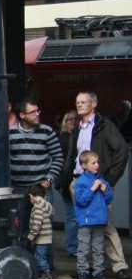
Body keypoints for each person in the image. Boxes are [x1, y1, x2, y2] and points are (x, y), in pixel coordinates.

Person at [65, 91, 131, 279]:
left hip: (98, 182)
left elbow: (122, 150)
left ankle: (120, 267)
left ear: (93, 104)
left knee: (106, 225)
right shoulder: (78, 128)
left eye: (83, 102)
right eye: (77, 102)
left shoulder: (103, 125)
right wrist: (66, 180)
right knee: (84, 226)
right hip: (78, 181)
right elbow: (72, 156)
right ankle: (88, 268)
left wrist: (109, 180)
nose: (79, 105)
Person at [8, 98, 63, 252]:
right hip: (18, 188)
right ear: (22, 115)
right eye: (32, 112)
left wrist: (49, 180)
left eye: (38, 111)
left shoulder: (47, 131)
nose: (37, 114)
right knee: (22, 229)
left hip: (40, 188)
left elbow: (58, 157)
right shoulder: (9, 133)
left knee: (45, 231)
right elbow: (3, 160)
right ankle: (27, 266)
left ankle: (47, 270)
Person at [74, 150, 115, 279]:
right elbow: (81, 200)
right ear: (84, 165)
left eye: (97, 162)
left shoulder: (102, 181)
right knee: (84, 248)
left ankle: (99, 272)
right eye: (93, 163)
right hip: (86, 221)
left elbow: (109, 200)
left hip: (99, 220)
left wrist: (104, 190)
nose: (97, 165)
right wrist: (92, 188)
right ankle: (82, 271)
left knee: (99, 248)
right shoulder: (80, 182)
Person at [56, 110, 79, 258]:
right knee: (72, 217)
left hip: (80, 181)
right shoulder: (62, 138)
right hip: (66, 181)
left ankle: (78, 248)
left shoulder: (81, 136)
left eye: (75, 118)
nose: (72, 121)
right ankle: (73, 249)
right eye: (69, 119)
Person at [26, 183, 55, 279]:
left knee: (39, 256)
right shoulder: (47, 204)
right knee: (41, 255)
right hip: (47, 236)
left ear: (30, 195)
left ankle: (47, 275)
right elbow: (52, 213)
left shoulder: (37, 206)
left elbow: (37, 224)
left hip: (41, 237)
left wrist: (30, 237)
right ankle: (42, 275)